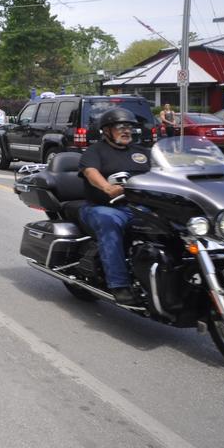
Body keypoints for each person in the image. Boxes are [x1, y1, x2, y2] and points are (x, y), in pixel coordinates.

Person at [78, 108, 152, 306]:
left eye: (129, 127)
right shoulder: (95, 151)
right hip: (103, 207)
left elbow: (164, 170)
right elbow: (90, 171)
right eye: (121, 127)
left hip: (139, 207)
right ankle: (119, 284)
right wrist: (107, 187)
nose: (126, 130)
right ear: (107, 130)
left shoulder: (142, 153)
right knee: (109, 222)